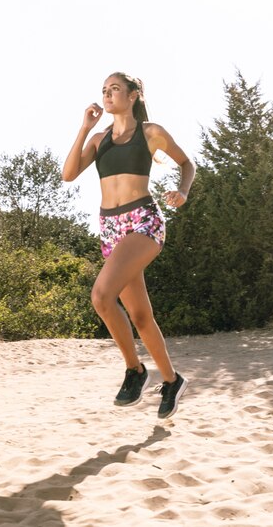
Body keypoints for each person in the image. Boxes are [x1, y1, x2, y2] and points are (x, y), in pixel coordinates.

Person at [62, 72, 195, 418]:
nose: (107, 95)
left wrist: (182, 191)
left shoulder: (150, 133)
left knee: (101, 296)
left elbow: (186, 163)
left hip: (142, 221)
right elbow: (68, 173)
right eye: (104, 91)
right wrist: (83, 129)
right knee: (139, 314)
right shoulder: (99, 138)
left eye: (115, 89)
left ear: (133, 95)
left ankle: (135, 371)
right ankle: (171, 380)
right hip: (109, 227)